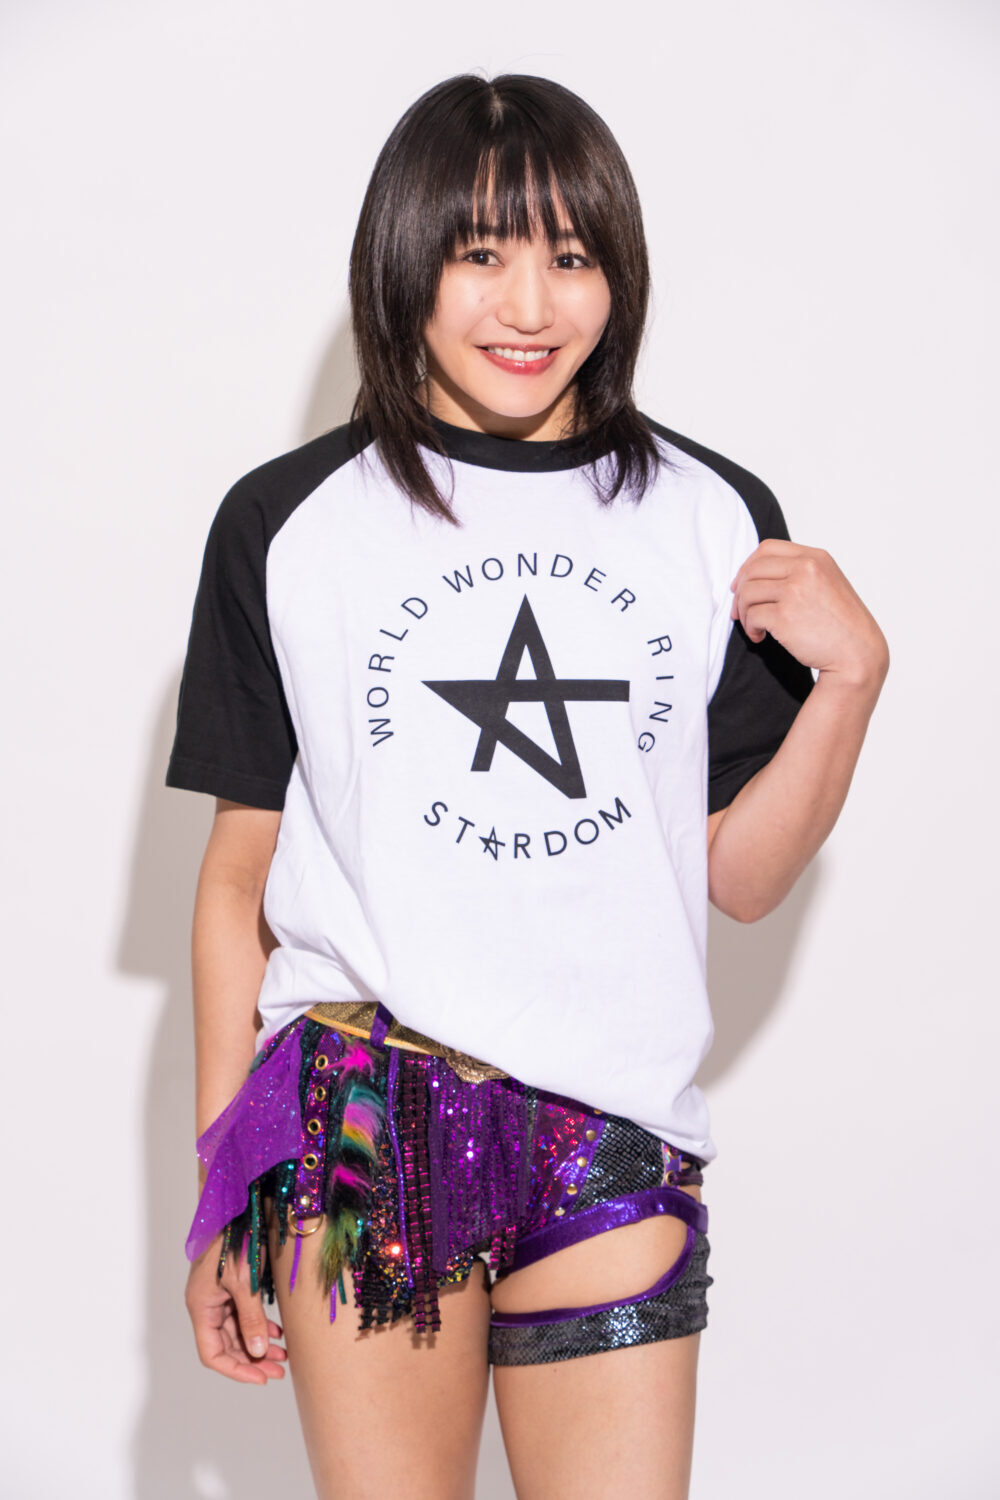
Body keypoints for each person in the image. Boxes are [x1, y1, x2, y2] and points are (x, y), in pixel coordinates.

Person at [167, 73, 889, 1500]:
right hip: (360, 1115)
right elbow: (238, 884)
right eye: (480, 252)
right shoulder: (286, 521)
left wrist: (852, 682)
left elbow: (739, 881)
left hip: (609, 1124)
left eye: (572, 256)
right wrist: (221, 1192)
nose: (530, 304)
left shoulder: (710, 517)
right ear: (404, 262)